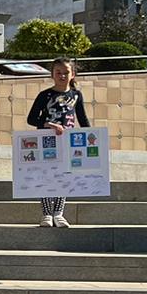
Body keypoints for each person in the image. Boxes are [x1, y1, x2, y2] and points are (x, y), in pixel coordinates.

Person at [28, 58, 91, 228]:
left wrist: (92, 137)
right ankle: (46, 214)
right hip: (46, 140)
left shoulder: (76, 95)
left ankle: (59, 213)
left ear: (73, 74)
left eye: (66, 73)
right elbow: (31, 118)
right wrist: (49, 124)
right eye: (58, 72)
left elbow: (83, 119)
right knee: (47, 176)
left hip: (68, 142)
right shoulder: (45, 95)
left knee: (65, 175)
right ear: (52, 75)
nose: (62, 76)